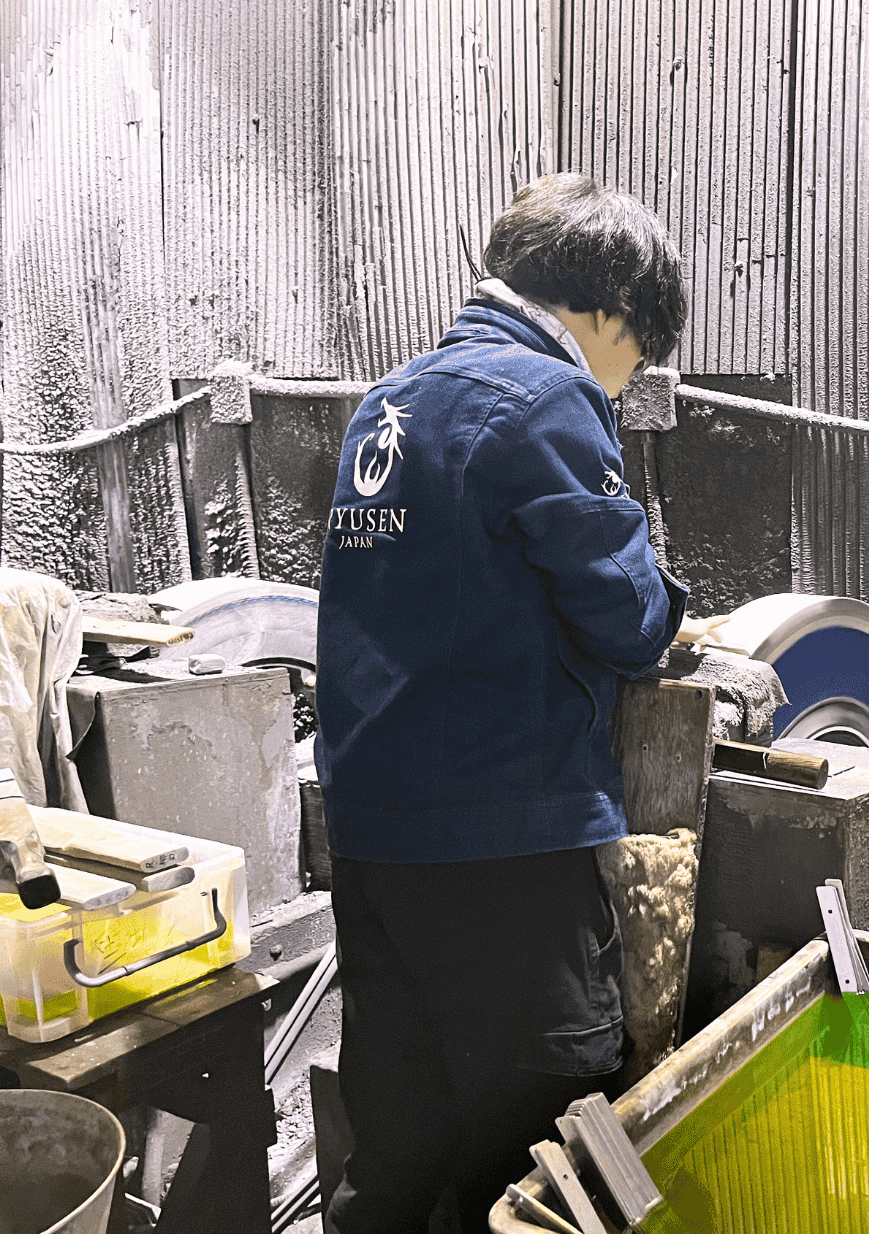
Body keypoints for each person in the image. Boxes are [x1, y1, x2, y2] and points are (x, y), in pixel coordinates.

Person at [315, 174, 717, 1233]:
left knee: (399, 1134)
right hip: (497, 842)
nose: (625, 386)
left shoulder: (389, 402)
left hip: (373, 837)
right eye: (635, 359)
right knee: (539, 1124)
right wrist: (673, 609)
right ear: (607, 309)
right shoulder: (548, 398)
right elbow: (628, 618)